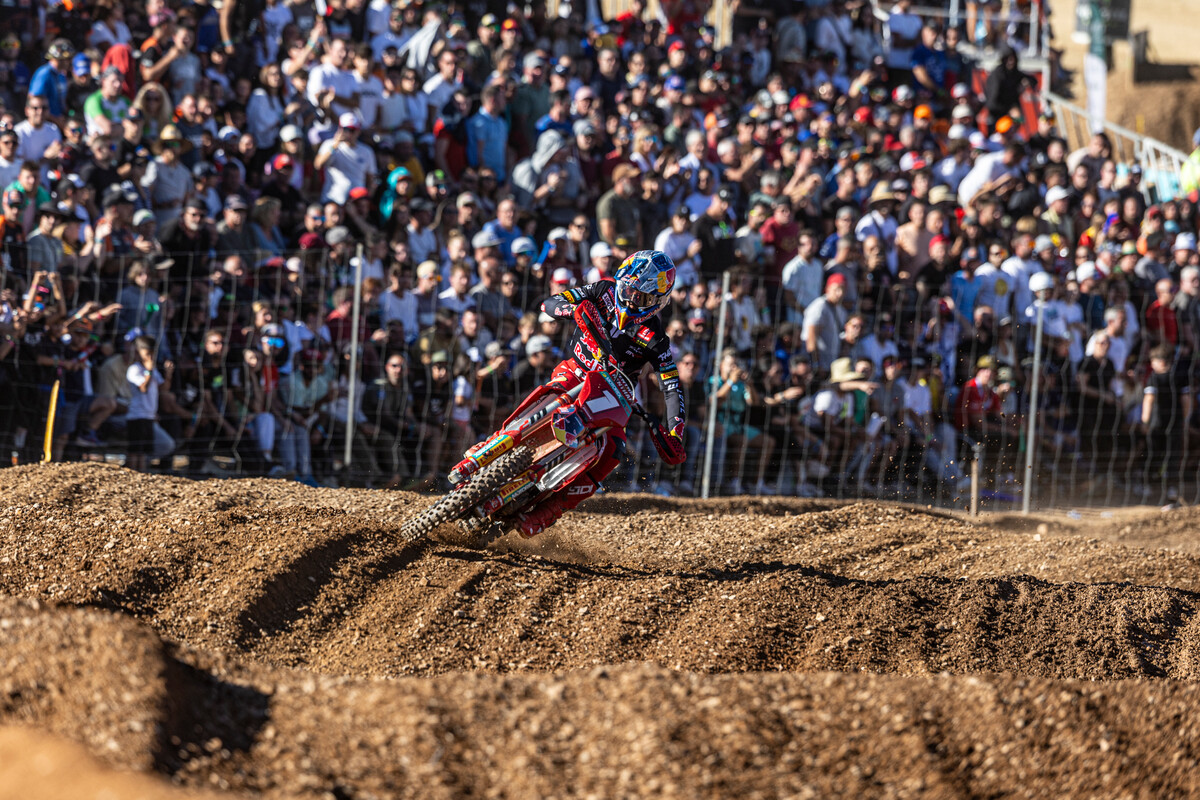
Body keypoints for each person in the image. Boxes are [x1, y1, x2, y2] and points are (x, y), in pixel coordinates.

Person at [493, 250, 686, 536]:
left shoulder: (656, 337)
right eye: (629, 290)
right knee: (554, 392)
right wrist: (571, 309)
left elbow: (671, 384)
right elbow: (551, 303)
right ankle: (496, 442)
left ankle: (548, 511)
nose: (632, 300)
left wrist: (675, 431)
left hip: (612, 397)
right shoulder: (603, 290)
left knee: (614, 451)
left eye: (642, 298)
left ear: (657, 302)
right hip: (575, 371)